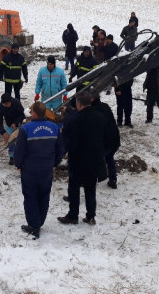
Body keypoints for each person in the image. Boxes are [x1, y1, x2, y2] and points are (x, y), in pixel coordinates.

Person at [14, 101, 65, 239]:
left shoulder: (26, 129)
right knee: (44, 195)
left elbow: (19, 151)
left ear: (34, 113)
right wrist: (55, 163)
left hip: (30, 170)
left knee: (30, 197)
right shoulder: (54, 128)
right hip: (47, 169)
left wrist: (18, 165)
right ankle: (40, 221)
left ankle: (34, 225)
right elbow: (60, 149)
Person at [58, 91, 108, 226]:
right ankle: (91, 216)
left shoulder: (73, 120)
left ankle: (73, 216)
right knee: (90, 189)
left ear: (78, 104)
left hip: (78, 159)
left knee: (74, 188)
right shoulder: (100, 117)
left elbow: (68, 140)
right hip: (94, 159)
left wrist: (64, 151)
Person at [89, 89, 120, 189]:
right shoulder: (105, 106)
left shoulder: (93, 111)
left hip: (106, 143)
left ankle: (91, 181)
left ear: (92, 99)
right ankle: (113, 180)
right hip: (115, 140)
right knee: (109, 158)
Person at [0, 92, 26, 165]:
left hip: (18, 124)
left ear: (10, 102)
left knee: (20, 141)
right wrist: (3, 132)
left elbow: (22, 115)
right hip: (9, 125)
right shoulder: (1, 107)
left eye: (7, 104)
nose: (5, 105)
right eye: (4, 104)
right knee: (10, 141)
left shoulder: (16, 103)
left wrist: (15, 122)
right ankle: (12, 157)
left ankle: (21, 155)